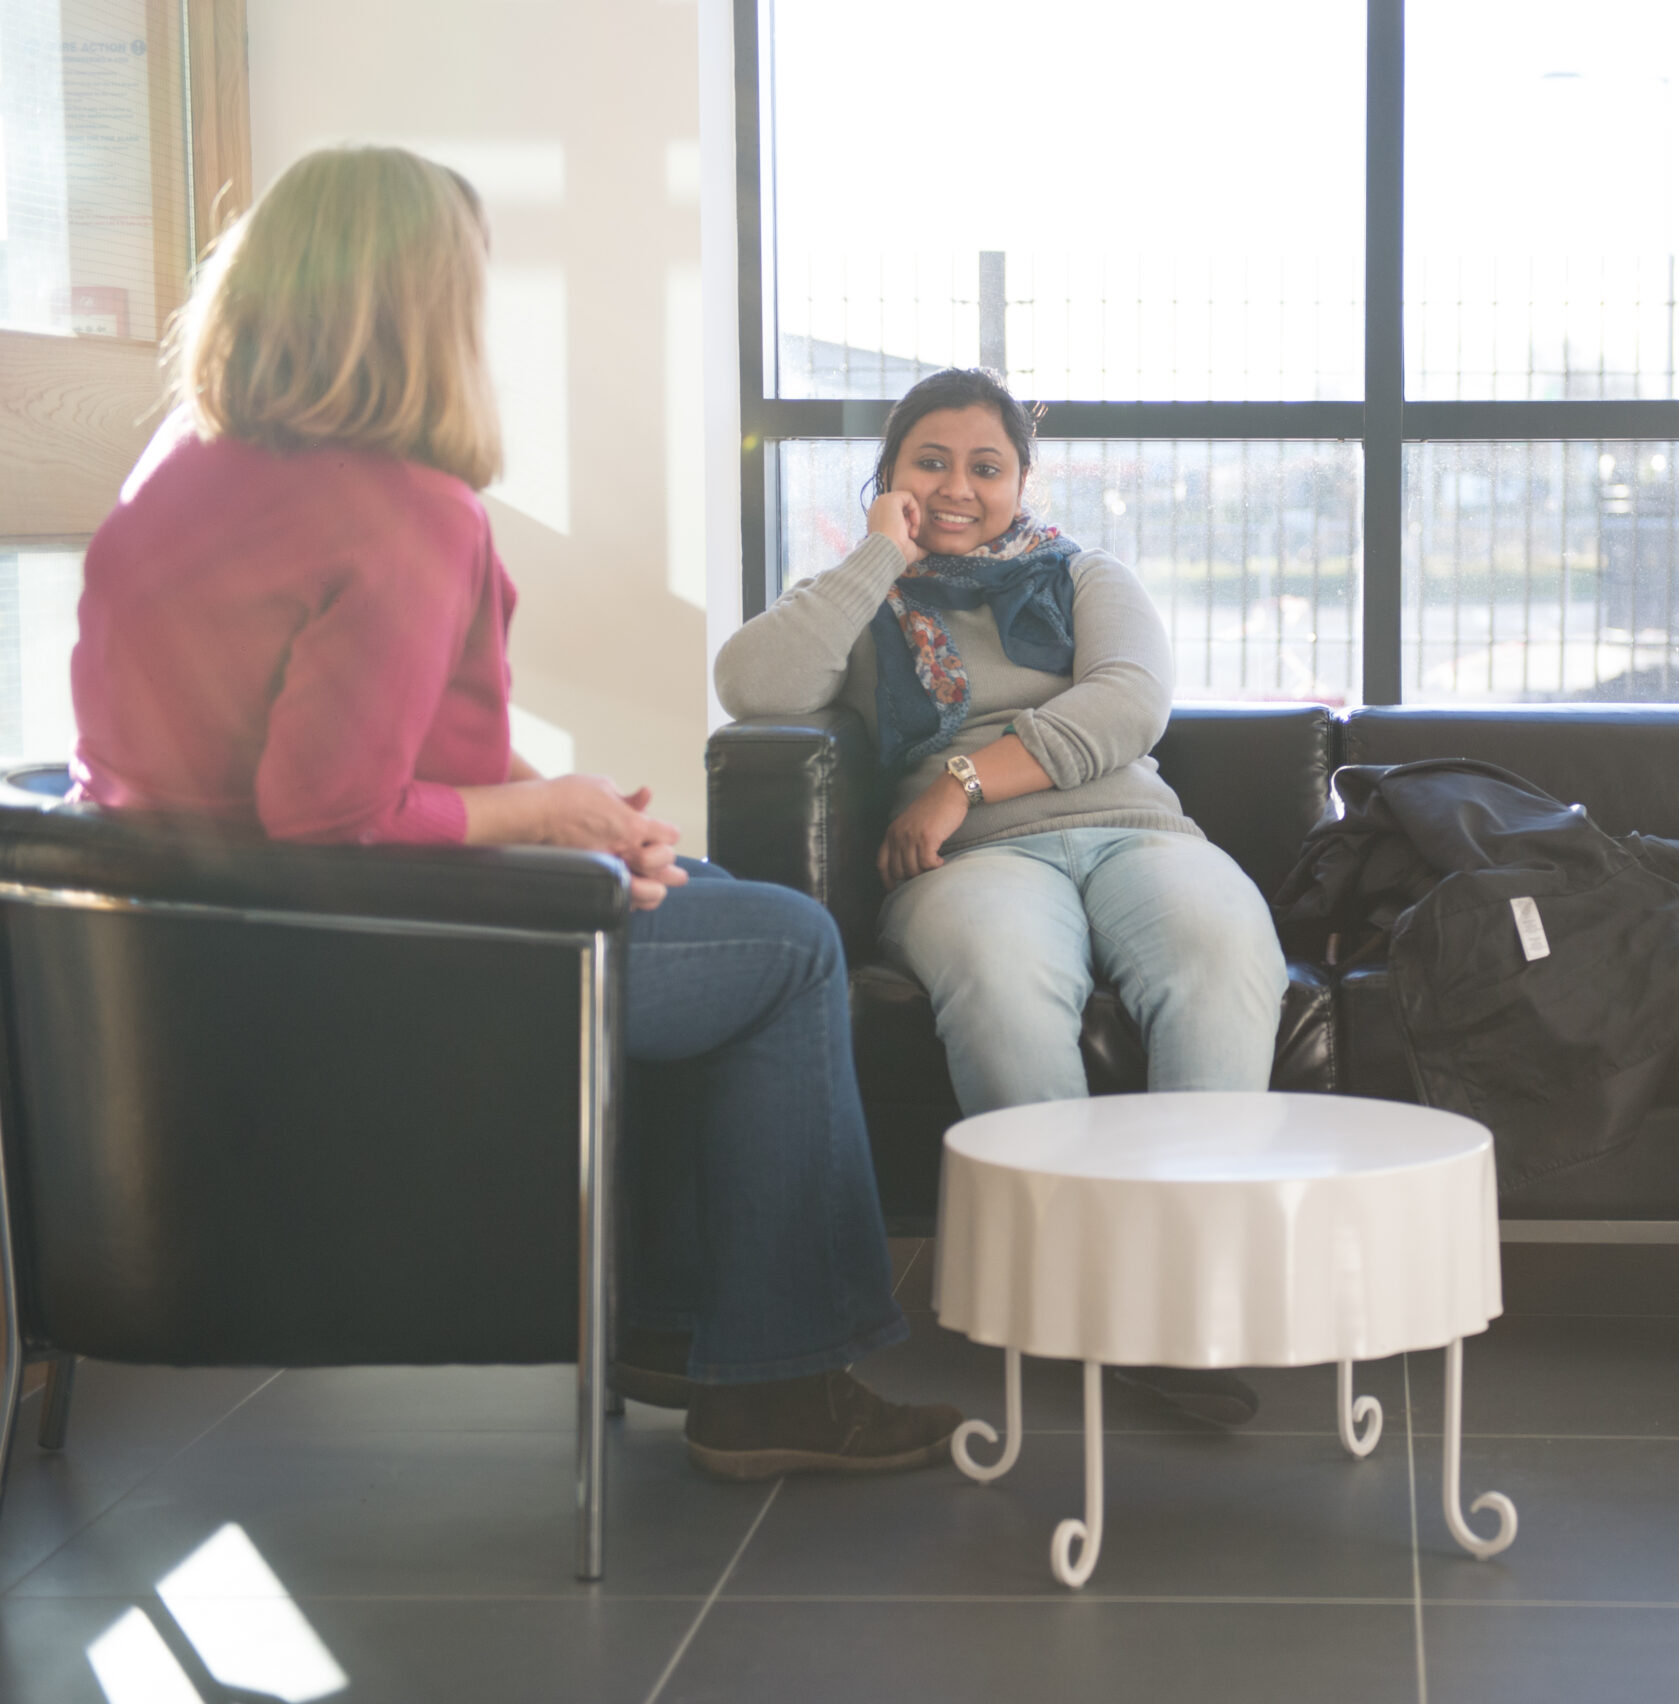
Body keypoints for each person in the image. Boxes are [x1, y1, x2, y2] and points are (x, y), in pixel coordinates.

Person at [69, 145, 958, 1480]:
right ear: (429, 304)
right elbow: (323, 814)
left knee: (704, 889)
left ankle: (679, 1328)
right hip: (373, 970)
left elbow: (275, 788)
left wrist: (574, 824)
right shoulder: (401, 507)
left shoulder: (173, 474)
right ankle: (774, 1380)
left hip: (187, 967)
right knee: (788, 946)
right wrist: (550, 811)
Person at [715, 367, 1288, 1424]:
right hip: (975, 865)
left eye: (987, 465)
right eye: (929, 461)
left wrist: (958, 780)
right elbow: (753, 684)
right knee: (999, 977)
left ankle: (1186, 1290)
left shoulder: (1082, 573)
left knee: (1222, 947)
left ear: (1023, 480)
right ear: (887, 476)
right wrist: (879, 556)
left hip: (1127, 827)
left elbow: (1130, 703)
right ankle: (1073, 1291)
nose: (959, 486)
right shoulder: (854, 596)